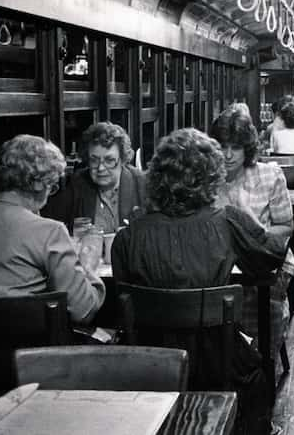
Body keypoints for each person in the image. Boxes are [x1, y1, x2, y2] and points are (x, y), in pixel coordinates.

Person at [111, 128, 285, 435]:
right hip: (220, 363)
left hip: (150, 365)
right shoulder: (227, 221)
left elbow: (122, 303)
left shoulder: (128, 238)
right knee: (258, 371)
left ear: (157, 178)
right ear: (212, 178)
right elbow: (271, 257)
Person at [0, 135, 105, 324]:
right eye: (51, 186)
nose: (49, 194)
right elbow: (83, 311)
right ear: (38, 184)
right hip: (37, 350)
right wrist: (87, 268)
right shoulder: (49, 232)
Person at [210, 108, 294, 359]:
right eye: (222, 147)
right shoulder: (205, 177)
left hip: (265, 260)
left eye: (235, 148)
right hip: (218, 263)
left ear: (247, 148)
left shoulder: (270, 175)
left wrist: (255, 233)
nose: (227, 156)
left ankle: (259, 362)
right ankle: (223, 361)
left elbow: (285, 227)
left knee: (260, 302)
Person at [43, 122, 146, 234]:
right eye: (94, 160)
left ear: (123, 160)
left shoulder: (142, 183)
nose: (101, 168)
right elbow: (50, 222)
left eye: (109, 160)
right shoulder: (79, 182)